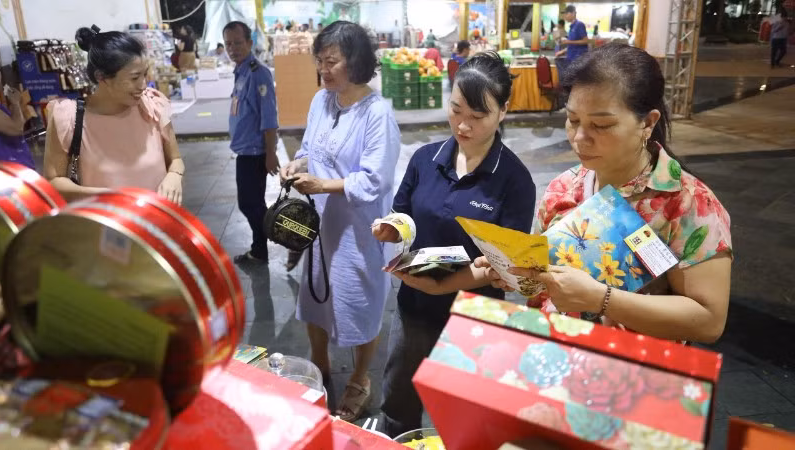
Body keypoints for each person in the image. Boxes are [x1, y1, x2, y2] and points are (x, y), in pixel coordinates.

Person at [401, 44, 733, 345]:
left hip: (631, 380)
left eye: (601, 125)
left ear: (647, 122)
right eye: (573, 120)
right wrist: (514, 272)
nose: (580, 138)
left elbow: (708, 321)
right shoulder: (565, 188)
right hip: (554, 357)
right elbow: (545, 283)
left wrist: (601, 299)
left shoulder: (687, 203)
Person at [374, 52, 536, 438]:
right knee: (398, 397)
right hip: (414, 305)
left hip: (475, 315)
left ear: (503, 112)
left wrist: (452, 282)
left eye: (478, 116)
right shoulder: (425, 159)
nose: (463, 125)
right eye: (456, 110)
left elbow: (508, 263)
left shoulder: (515, 181)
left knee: (468, 412)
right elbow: (404, 215)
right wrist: (392, 230)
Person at [279, 21, 400, 422]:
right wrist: (296, 165)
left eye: (331, 61)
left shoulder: (377, 113)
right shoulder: (321, 101)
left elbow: (373, 180)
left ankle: (361, 378)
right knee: (315, 297)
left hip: (357, 229)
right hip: (318, 224)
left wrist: (324, 184)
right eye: (320, 61)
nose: (324, 69)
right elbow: (311, 148)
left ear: (357, 62)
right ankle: (320, 367)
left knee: (358, 301)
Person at [43, 25, 184, 204]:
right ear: (102, 77)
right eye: (134, 78)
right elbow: (54, 180)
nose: (143, 85)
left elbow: (176, 159)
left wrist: (174, 176)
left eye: (144, 74)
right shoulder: (69, 118)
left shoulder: (153, 107)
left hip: (156, 223)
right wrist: (103, 196)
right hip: (103, 225)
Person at [223, 21, 279, 264]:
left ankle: (275, 236)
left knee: (249, 204)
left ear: (249, 42)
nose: (233, 48)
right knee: (251, 203)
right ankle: (259, 249)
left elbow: (269, 117)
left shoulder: (258, 73)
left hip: (255, 151)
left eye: (237, 42)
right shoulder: (241, 70)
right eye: (228, 44)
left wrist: (270, 153)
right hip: (245, 149)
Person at [0, 65, 33, 169]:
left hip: (16, 170)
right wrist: (15, 104)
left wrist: (16, 104)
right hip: (6, 173)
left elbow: (19, 125)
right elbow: (16, 128)